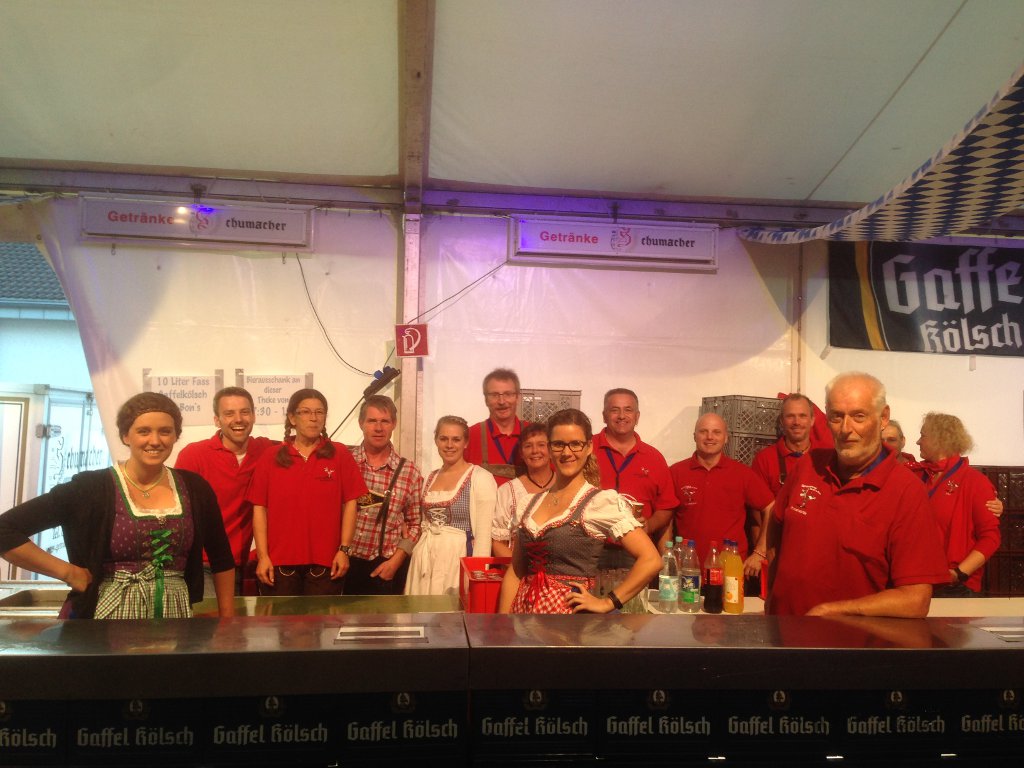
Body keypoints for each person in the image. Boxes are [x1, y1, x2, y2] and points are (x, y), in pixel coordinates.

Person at [0, 392, 235, 619]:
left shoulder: (194, 488)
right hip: (107, 613)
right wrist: (68, 572)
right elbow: (5, 530)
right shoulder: (90, 488)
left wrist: (226, 619)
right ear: (125, 436)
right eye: (143, 431)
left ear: (176, 436)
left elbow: (221, 557)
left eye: (165, 431)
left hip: (175, 612)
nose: (155, 441)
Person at [766, 372, 948, 617]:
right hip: (783, 633)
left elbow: (916, 600)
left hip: (849, 640)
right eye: (836, 417)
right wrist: (773, 596)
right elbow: (776, 528)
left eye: (858, 416)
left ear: (883, 417)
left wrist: (831, 612)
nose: (846, 429)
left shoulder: (906, 491)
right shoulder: (808, 466)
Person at [498, 408, 661, 614]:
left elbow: (651, 560)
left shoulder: (599, 503)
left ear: (589, 447)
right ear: (550, 448)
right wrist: (502, 624)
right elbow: (516, 571)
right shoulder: (528, 503)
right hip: (523, 616)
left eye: (575, 444)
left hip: (570, 623)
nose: (567, 453)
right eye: (558, 444)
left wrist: (608, 602)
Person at [248, 388, 367, 596]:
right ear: (292, 418)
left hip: (327, 563)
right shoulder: (271, 456)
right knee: (279, 617)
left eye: (319, 412)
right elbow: (259, 508)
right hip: (278, 564)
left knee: (322, 618)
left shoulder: (339, 454)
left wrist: (344, 550)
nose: (313, 418)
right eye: (305, 412)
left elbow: (350, 504)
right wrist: (263, 556)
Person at [175, 386, 274, 595]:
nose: (238, 419)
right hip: (202, 563)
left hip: (240, 563)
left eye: (244, 412)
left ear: (254, 416)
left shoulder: (266, 451)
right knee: (210, 617)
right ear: (217, 420)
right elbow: (178, 512)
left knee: (233, 618)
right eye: (229, 413)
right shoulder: (194, 454)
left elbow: (303, 446)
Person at [670, 413, 774, 576]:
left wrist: (760, 552)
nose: (709, 437)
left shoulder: (742, 474)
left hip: (730, 572)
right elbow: (665, 518)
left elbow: (771, 507)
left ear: (726, 438)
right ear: (694, 436)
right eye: (703, 431)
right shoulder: (676, 472)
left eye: (716, 432)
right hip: (687, 570)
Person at [405, 416, 497, 595]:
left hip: (457, 559)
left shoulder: (480, 477)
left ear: (465, 443)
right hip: (425, 558)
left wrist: (477, 579)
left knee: (450, 609)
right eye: (443, 439)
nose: (449, 445)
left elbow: (483, 538)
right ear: (436, 441)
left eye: (456, 439)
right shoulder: (430, 477)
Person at [913, 412, 1002, 596]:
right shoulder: (917, 475)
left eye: (923, 435)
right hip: (916, 579)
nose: (918, 442)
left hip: (954, 586)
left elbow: (990, 538)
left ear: (940, 439)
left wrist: (958, 574)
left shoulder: (975, 482)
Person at [346, 395, 423, 595]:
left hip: (385, 568)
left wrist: (396, 561)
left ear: (394, 424)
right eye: (372, 421)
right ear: (361, 423)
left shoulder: (409, 472)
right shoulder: (344, 463)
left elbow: (415, 524)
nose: (378, 428)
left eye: (385, 421)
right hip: (344, 563)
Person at [592, 388, 678, 556]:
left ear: (637, 417)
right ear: (604, 416)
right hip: (591, 549)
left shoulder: (654, 457)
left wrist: (649, 526)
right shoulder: (586, 449)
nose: (621, 416)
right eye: (614, 410)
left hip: (638, 551)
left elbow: (666, 507)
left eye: (628, 410)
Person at [491, 422, 554, 557]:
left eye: (541, 445)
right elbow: (498, 543)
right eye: (528, 446)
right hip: (518, 567)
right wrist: (516, 568)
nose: (535, 451)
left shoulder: (566, 485)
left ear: (551, 450)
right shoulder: (507, 492)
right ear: (521, 453)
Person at [465, 368, 531, 486]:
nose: (502, 401)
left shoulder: (534, 434)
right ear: (486, 400)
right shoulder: (470, 436)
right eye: (494, 395)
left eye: (508, 394)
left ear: (517, 397)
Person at [752, 394, 816, 497]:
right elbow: (759, 505)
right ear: (782, 421)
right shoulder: (764, 460)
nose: (796, 422)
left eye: (802, 416)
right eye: (790, 416)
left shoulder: (826, 458)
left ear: (812, 420)